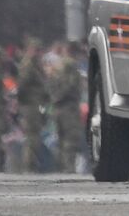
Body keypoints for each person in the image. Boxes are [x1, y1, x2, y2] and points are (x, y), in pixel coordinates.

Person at [48, 42, 83, 174]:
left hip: (57, 107)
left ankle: (60, 167)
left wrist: (55, 98)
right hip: (69, 106)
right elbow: (72, 85)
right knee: (70, 138)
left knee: (60, 138)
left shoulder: (56, 66)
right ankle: (69, 168)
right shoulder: (72, 65)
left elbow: (50, 84)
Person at [15, 39, 46, 172]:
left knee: (34, 135)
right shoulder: (28, 65)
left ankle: (32, 164)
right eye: (36, 50)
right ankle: (29, 166)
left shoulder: (34, 65)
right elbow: (22, 85)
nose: (38, 53)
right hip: (30, 104)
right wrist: (22, 101)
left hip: (34, 103)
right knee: (32, 135)